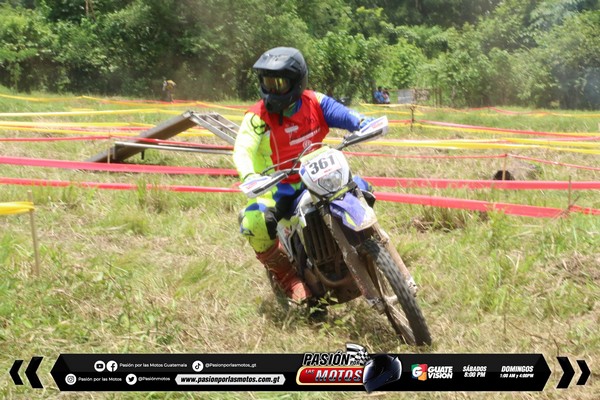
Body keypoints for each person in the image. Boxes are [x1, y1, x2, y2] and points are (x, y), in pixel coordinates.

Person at [233, 47, 373, 304]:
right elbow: (243, 149)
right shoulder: (256, 117)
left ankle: (367, 248)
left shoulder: (315, 102)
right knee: (255, 221)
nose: (272, 90)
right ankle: (289, 279)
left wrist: (363, 122)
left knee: (363, 189)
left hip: (322, 175)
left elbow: (345, 115)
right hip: (280, 187)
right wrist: (249, 175)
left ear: (297, 82)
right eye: (267, 83)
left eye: (278, 84)